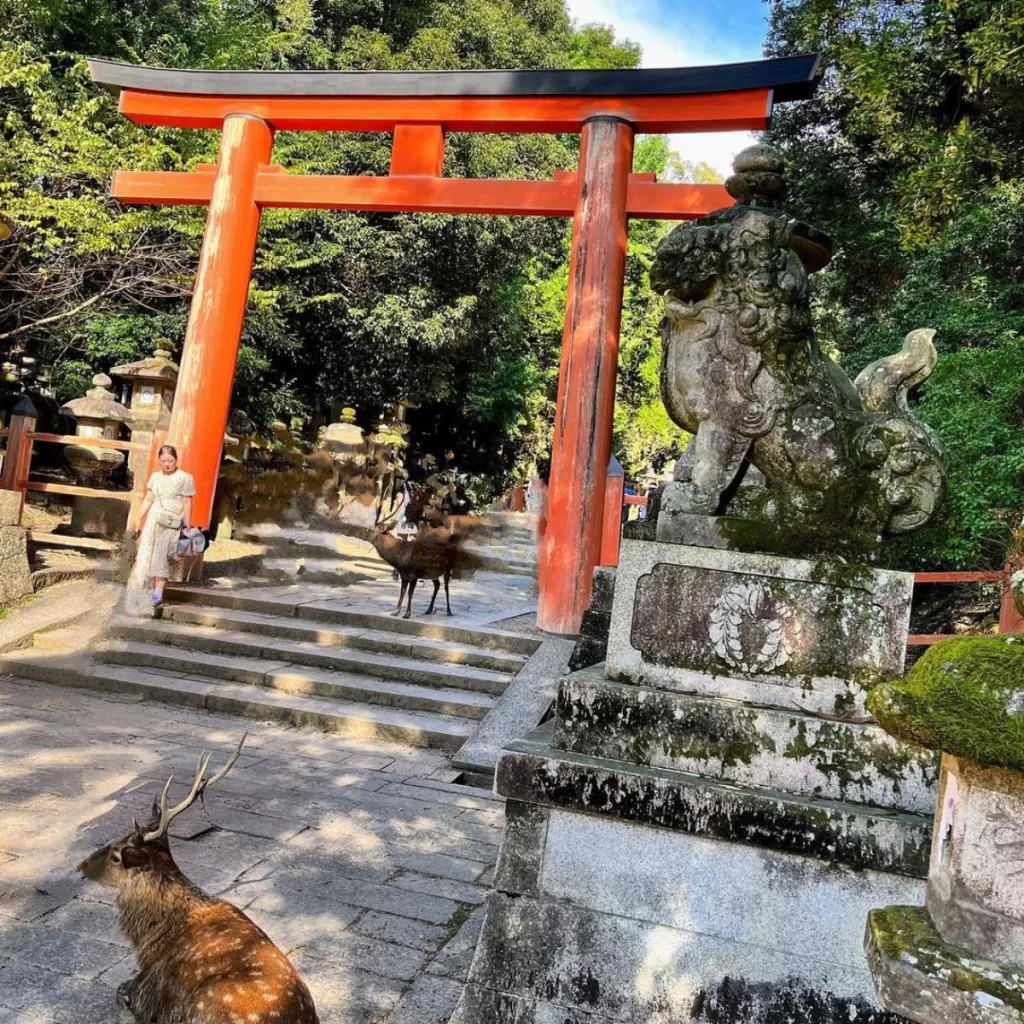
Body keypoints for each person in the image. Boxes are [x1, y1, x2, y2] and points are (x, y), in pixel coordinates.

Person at [129, 444, 195, 613]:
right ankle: (141, 591)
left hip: (171, 520)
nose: (167, 464)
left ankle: (157, 593)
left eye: (170, 461)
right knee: (146, 553)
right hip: (154, 517)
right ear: (159, 460)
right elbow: (149, 498)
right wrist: (139, 517)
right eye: (163, 461)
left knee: (161, 555)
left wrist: (188, 525)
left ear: (176, 460)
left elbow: (187, 502)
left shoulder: (184, 478)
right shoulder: (155, 477)